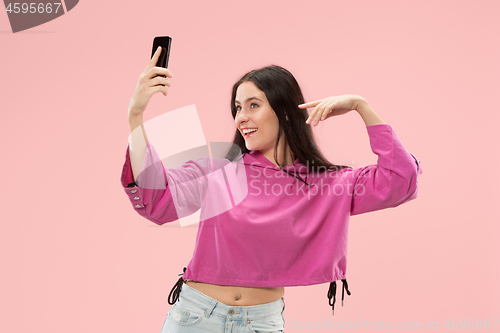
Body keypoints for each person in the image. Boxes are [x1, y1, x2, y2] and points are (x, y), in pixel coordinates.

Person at [121, 46, 423, 332]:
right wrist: (136, 116)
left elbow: (401, 180)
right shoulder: (219, 169)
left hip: (261, 323)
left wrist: (361, 106)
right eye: (238, 107)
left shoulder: (327, 183)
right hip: (195, 317)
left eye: (253, 105)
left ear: (286, 111)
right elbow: (155, 200)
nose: (241, 117)